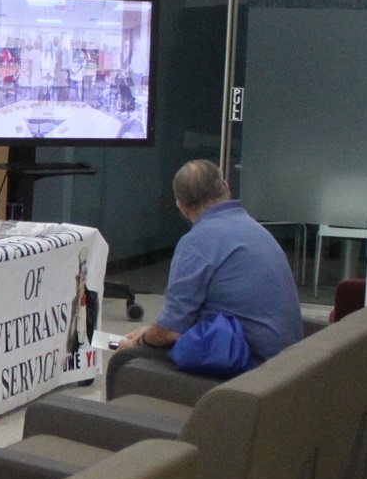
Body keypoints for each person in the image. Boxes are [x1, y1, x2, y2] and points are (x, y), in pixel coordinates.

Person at [113, 160, 303, 377]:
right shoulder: (255, 230)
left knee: (127, 359)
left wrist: (142, 341)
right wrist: (154, 332)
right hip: (287, 366)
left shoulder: (195, 244)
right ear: (225, 186)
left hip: (251, 371)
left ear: (181, 207)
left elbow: (171, 330)